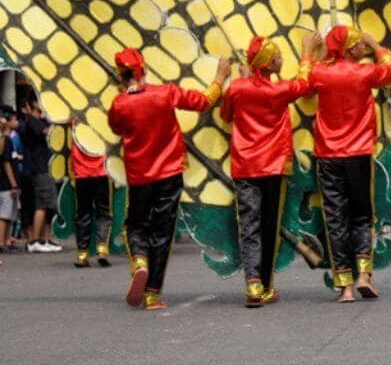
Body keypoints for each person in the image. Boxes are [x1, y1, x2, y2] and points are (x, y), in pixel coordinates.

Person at [108, 48, 230, 310]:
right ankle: (152, 294)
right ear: (144, 70)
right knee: (163, 231)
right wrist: (220, 76)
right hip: (170, 172)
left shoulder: (119, 104)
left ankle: (140, 261)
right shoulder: (166, 93)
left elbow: (116, 128)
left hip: (139, 175)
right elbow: (204, 101)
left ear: (121, 76)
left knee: (136, 224)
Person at [299, 25, 391, 303]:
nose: (362, 47)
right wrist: (377, 45)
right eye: (359, 43)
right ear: (349, 49)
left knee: (336, 219)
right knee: (362, 215)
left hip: (328, 155)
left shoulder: (320, 72)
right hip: (358, 154)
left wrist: (308, 52)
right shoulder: (365, 72)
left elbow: (303, 86)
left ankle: (345, 286)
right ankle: (364, 275)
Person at [220, 36, 310, 308]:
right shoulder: (280, 90)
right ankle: (267, 285)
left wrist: (243, 81)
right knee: (270, 225)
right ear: (269, 64)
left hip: (245, 166)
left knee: (249, 225)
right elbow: (304, 83)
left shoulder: (236, 89)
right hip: (274, 166)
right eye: (279, 57)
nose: (282, 60)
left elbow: (225, 115)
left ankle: (253, 284)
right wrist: (307, 52)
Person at [18, 101, 61, 253]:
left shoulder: (41, 120)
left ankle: (45, 239)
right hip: (40, 168)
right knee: (42, 204)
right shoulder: (32, 120)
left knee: (49, 205)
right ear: (30, 105)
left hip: (47, 167)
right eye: (39, 100)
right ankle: (34, 241)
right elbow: (49, 133)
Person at [70, 124, 112, 267]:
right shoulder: (100, 118)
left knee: (83, 214)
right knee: (103, 213)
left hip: (81, 174)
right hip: (101, 172)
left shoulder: (75, 120)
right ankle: (102, 251)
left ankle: (82, 255)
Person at [0, 107, 19, 256]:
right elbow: (5, 162)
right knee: (4, 215)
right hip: (5, 182)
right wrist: (14, 184)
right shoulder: (4, 139)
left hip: (8, 181)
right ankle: (1, 242)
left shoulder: (6, 138)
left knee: (9, 214)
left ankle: (5, 240)